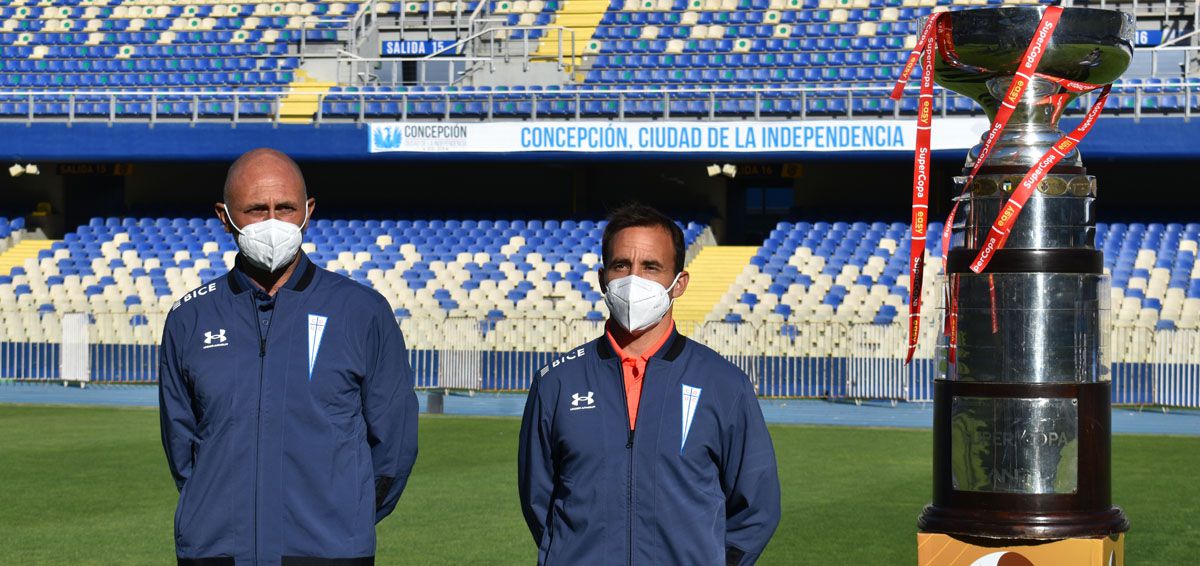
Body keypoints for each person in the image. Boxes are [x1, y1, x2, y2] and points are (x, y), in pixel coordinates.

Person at [158, 148, 418, 565]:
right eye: (257, 209)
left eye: (286, 208)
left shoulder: (362, 311)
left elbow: (394, 448)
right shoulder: (189, 318)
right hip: (216, 552)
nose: (273, 222)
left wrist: (345, 519)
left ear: (308, 211)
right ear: (225, 217)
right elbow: (183, 452)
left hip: (330, 552)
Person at [517, 203, 781, 565]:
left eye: (651, 267)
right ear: (602, 279)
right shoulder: (556, 383)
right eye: (621, 265)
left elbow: (756, 508)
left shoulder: (724, 384)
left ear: (679, 284)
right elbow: (539, 502)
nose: (633, 279)